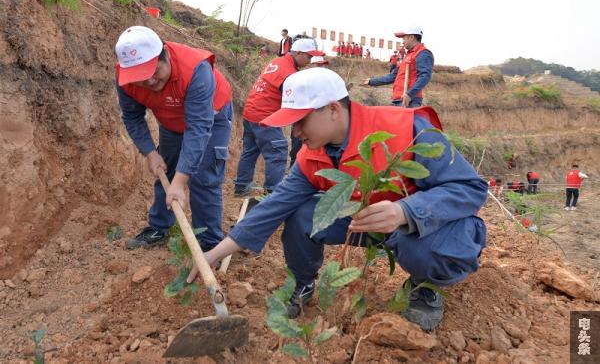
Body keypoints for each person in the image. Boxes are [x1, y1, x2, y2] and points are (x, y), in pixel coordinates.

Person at [188, 67, 488, 332]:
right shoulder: (312, 154)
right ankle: (303, 284)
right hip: (364, 223)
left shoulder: (406, 131)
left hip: (422, 227)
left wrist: (405, 211)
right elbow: (274, 205)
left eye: (300, 121)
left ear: (332, 109)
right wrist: (214, 254)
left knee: (429, 249)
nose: (295, 132)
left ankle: (425, 287)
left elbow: (470, 188)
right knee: (302, 214)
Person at [114, 26, 233, 250]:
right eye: (141, 78)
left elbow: (198, 128)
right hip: (170, 121)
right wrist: (150, 152)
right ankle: (160, 227)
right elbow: (132, 116)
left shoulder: (195, 69)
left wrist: (180, 182)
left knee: (203, 178)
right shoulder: (124, 78)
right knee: (166, 171)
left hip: (211, 116)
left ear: (165, 54)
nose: (149, 82)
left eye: (154, 72)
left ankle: (209, 244)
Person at [235, 39, 325, 196]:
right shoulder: (288, 72)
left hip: (251, 112)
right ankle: (273, 192)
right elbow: (294, 99)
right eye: (309, 57)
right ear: (298, 53)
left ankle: (242, 186)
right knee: (278, 150)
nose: (310, 61)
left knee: (250, 150)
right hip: (265, 116)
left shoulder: (278, 61)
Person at [362, 27, 434, 107]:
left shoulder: (423, 53)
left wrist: (409, 94)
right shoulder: (408, 56)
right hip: (398, 99)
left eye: (404, 39)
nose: (403, 42)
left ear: (411, 37)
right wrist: (371, 81)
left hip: (409, 101)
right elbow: (393, 76)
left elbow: (425, 76)